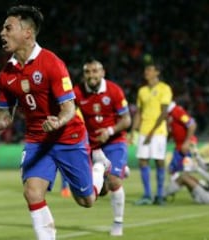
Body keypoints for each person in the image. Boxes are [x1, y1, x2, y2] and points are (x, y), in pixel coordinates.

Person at [0, 5, 109, 240]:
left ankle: (99, 167)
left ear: (28, 32)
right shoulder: (6, 74)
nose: (2, 33)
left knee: (86, 200)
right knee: (32, 192)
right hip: (38, 140)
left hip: (68, 137)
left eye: (8, 28)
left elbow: (69, 109)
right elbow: (4, 117)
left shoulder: (52, 63)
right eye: (2, 28)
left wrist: (57, 122)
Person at [73, 59, 131, 236]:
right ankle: (120, 170)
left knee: (113, 181)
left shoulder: (114, 91)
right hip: (92, 146)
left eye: (95, 71)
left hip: (114, 141)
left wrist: (110, 130)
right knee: (102, 191)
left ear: (102, 73)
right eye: (88, 72)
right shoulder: (77, 92)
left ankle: (118, 223)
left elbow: (126, 120)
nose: (92, 75)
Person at [129, 62, 173, 205]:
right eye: (146, 69)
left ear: (157, 72)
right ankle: (147, 195)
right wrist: (133, 131)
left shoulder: (164, 88)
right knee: (143, 161)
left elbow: (164, 112)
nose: (146, 72)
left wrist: (152, 132)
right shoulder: (142, 90)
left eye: (149, 70)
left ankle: (160, 195)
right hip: (143, 130)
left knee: (159, 161)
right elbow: (139, 113)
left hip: (158, 132)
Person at [165, 130, 209, 204]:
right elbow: (206, 167)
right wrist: (196, 153)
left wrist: (197, 169)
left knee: (184, 178)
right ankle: (164, 194)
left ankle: (161, 195)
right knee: (188, 177)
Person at [167, 101, 197, 175]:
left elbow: (192, 125)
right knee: (173, 170)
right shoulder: (169, 114)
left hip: (185, 147)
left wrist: (186, 143)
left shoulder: (177, 111)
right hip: (179, 147)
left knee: (178, 171)